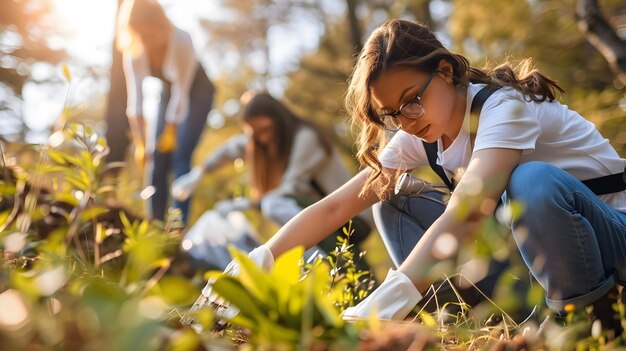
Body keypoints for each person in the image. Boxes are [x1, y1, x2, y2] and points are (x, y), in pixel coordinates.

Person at [194, 18, 626, 333]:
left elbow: (470, 209)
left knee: (532, 181)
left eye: (412, 100)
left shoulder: (503, 109)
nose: (406, 120)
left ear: (445, 71)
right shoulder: (421, 131)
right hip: (538, 262)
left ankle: (585, 323)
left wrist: (392, 292)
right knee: (392, 197)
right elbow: (339, 204)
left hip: (610, 239)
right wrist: (259, 260)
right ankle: (459, 322)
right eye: (392, 113)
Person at [171, 92, 374, 269]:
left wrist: (243, 204)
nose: (264, 139)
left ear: (279, 120)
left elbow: (290, 189)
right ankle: (310, 261)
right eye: (257, 135)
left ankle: (322, 261)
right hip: (326, 215)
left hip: (353, 215)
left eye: (266, 130)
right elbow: (232, 148)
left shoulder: (306, 138)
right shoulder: (267, 141)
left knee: (273, 204)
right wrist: (199, 173)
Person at [116, 0, 215, 224]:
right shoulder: (134, 50)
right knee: (155, 157)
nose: (147, 41)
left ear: (161, 23)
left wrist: (171, 131)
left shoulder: (182, 39)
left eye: (151, 34)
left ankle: (176, 228)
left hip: (197, 91)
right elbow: (136, 102)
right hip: (168, 92)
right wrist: (141, 144)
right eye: (142, 35)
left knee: (180, 156)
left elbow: (183, 91)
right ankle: (154, 226)